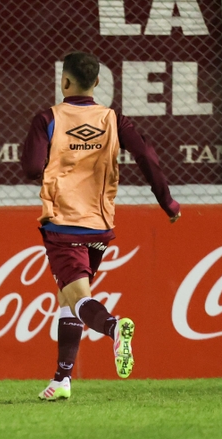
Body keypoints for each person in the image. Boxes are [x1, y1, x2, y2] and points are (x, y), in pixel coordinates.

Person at [21, 51, 180, 401]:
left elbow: (32, 168)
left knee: (78, 297)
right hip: (100, 225)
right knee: (68, 297)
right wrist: (166, 202)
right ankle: (62, 379)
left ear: (64, 81)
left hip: (63, 224)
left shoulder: (48, 118)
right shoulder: (114, 120)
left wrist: (51, 160)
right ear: (96, 83)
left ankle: (113, 327)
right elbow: (147, 158)